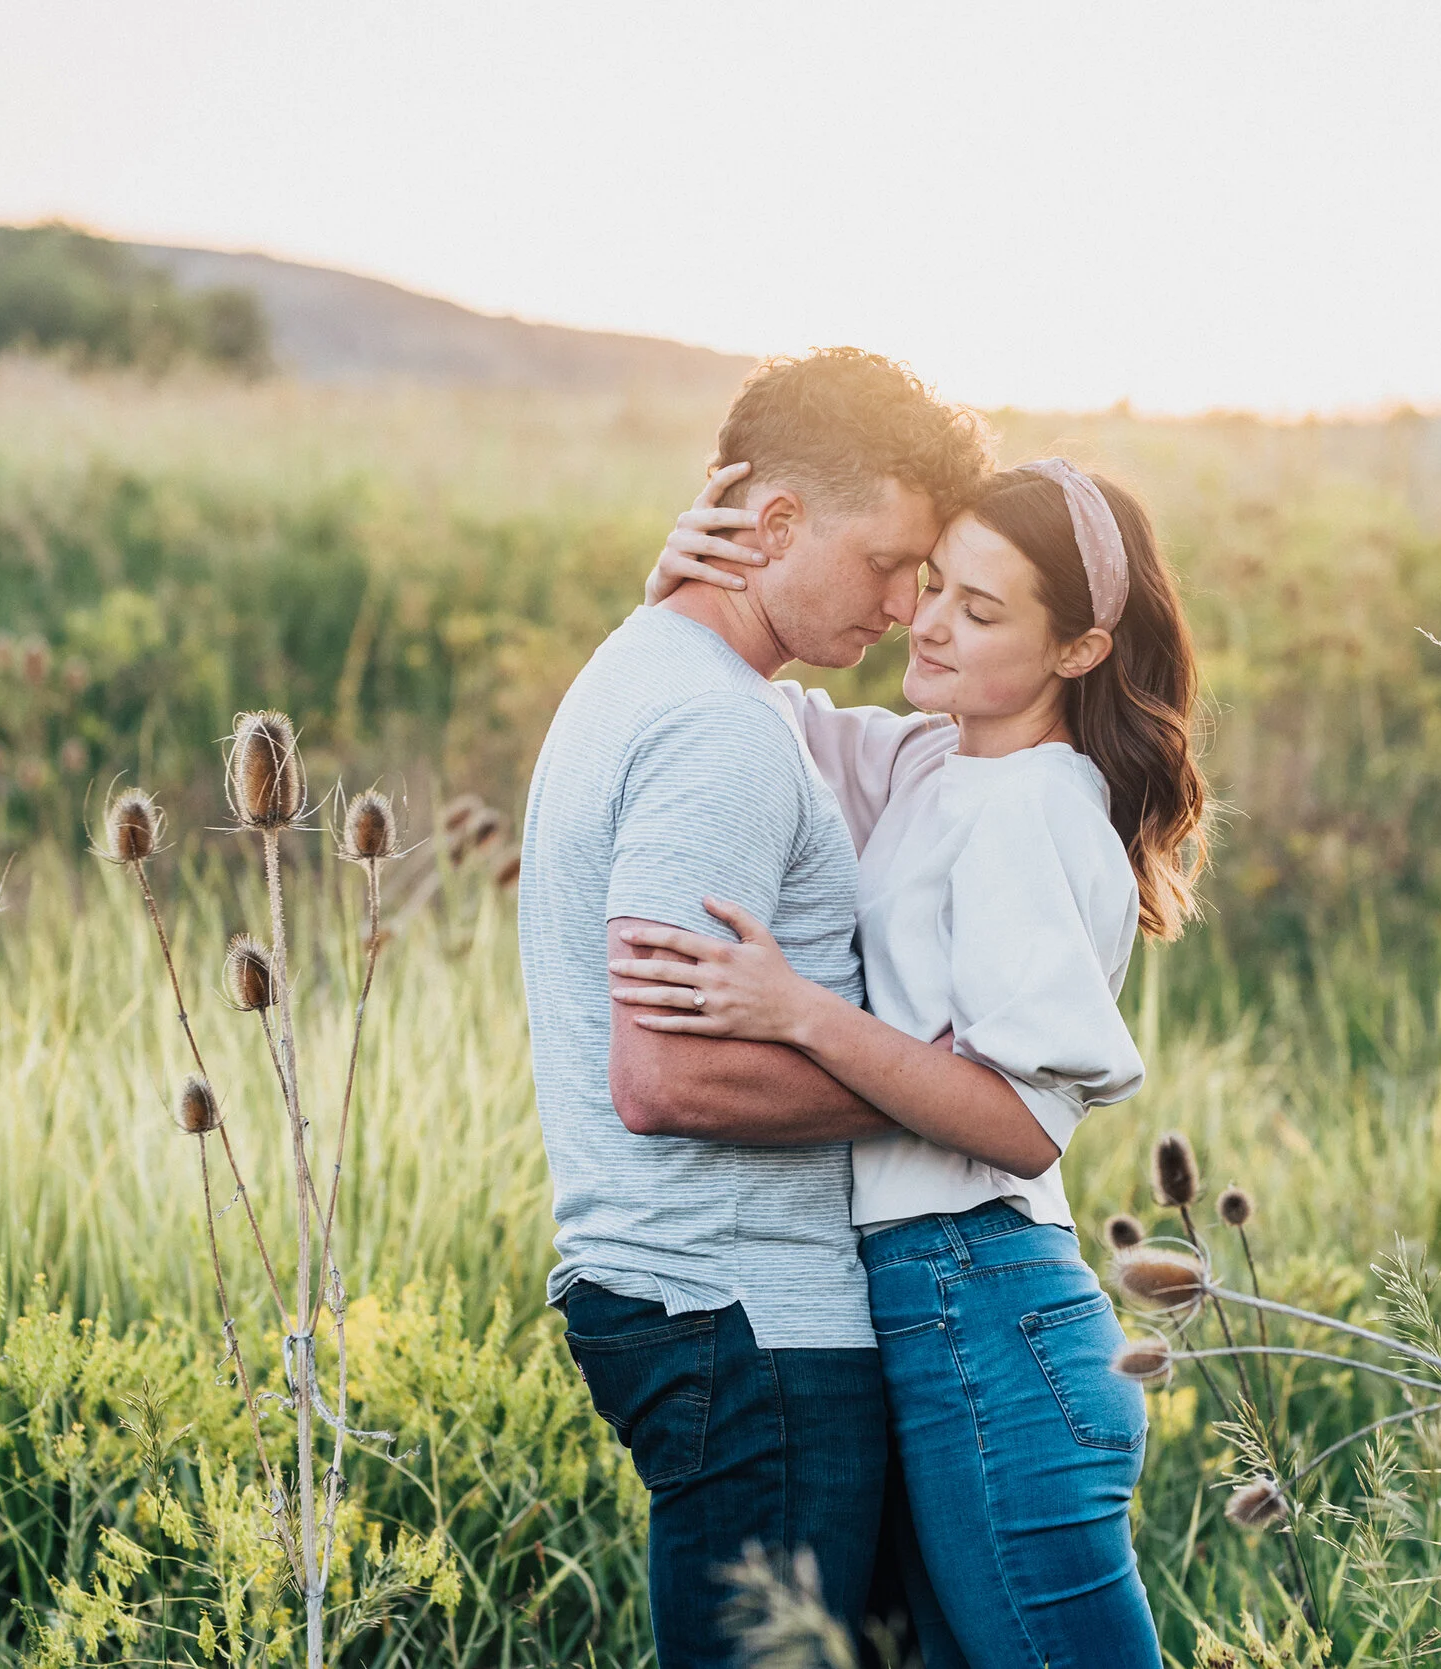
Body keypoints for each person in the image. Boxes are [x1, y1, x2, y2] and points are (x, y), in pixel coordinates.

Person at [614, 456, 1209, 1668]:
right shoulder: (943, 760)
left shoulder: (1035, 806)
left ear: (1078, 651)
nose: (925, 621)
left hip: (986, 1305)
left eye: (979, 610)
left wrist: (797, 1012)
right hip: (943, 1312)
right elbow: (760, 708)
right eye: (933, 583)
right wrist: (679, 594)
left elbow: (1024, 1120)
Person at [516, 347, 993, 1667]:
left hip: (722, 1315)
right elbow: (661, 1077)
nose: (906, 604)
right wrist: (935, 1091)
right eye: (888, 562)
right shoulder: (709, 729)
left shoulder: (678, 682)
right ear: (772, 525)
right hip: (743, 1324)